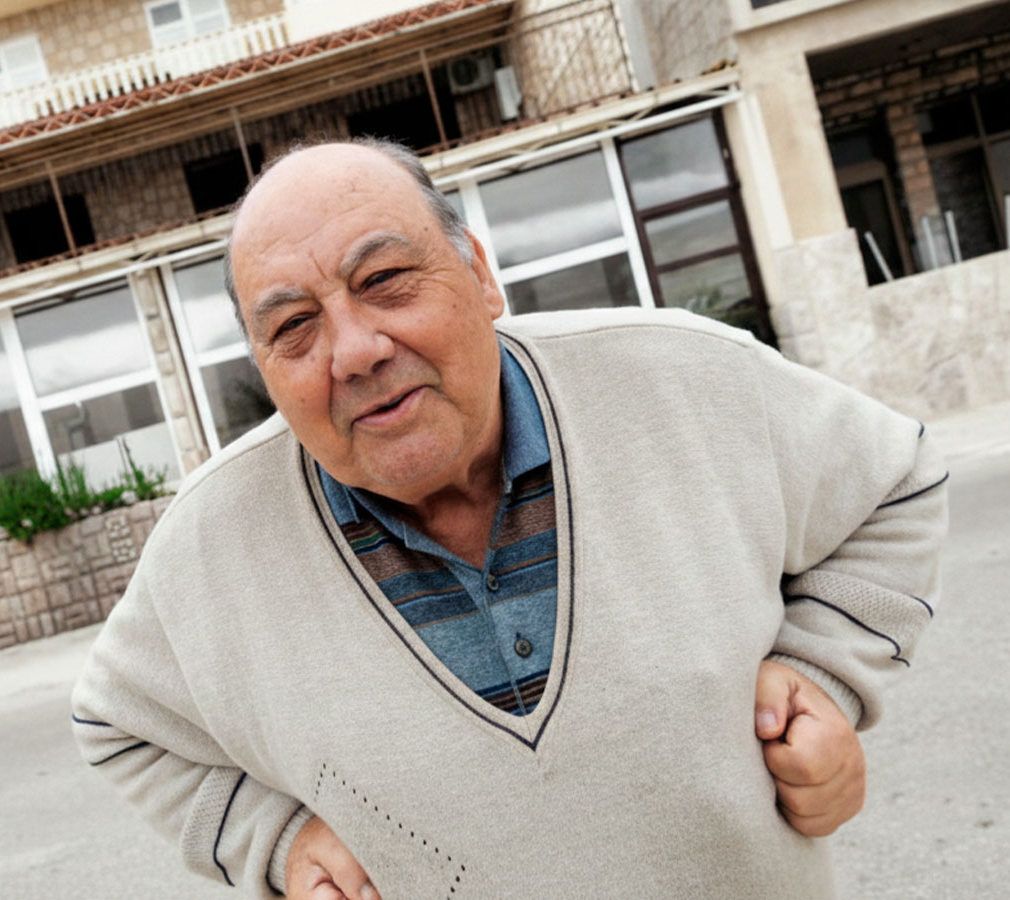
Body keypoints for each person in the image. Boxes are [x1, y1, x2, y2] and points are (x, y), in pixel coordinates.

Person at [71, 139, 947, 899]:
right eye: (295, 326)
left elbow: (893, 480)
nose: (355, 351)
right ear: (265, 370)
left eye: (384, 281)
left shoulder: (684, 379)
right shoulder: (211, 546)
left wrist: (824, 676)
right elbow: (118, 723)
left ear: (480, 275)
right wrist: (275, 840)